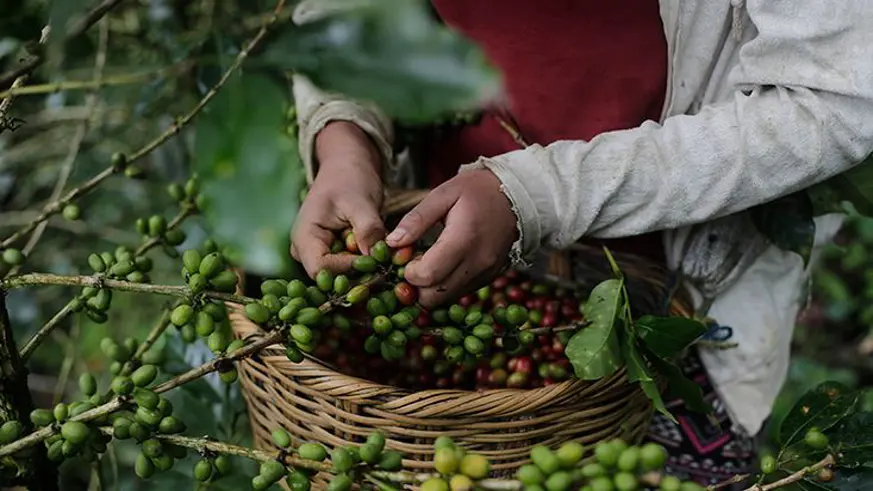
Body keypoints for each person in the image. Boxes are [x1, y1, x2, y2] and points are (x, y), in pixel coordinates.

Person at [288, 0, 873, 486]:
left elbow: (841, 96)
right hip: (447, 236)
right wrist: (345, 137)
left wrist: (538, 195)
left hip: (681, 288)